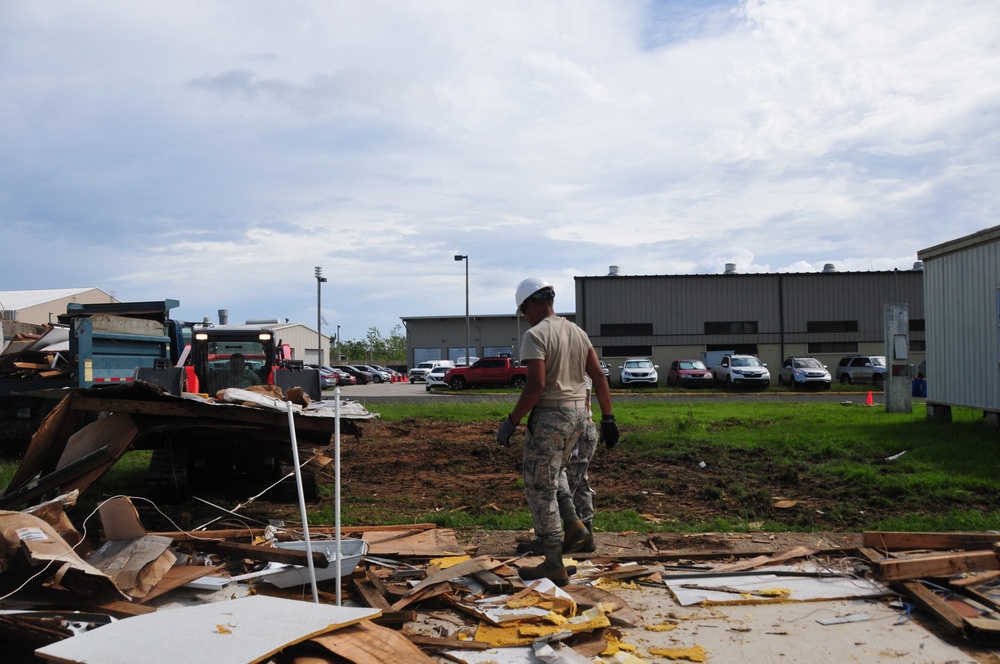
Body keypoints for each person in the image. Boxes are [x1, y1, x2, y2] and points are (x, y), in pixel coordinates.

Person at [497, 277, 619, 586]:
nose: (525, 317)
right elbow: (599, 378)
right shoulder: (577, 332)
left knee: (541, 485)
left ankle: (553, 562)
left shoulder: (535, 335)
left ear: (533, 305)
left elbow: (535, 385)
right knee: (558, 475)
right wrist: (608, 418)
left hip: (552, 416)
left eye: (525, 311)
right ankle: (574, 527)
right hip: (580, 415)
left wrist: (511, 420)